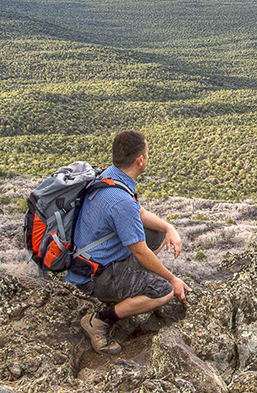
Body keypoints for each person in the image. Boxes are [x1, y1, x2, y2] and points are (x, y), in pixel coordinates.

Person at [68, 130, 192, 355]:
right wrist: (173, 280)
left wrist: (168, 228)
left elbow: (139, 212)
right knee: (163, 291)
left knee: (155, 233)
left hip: (92, 257)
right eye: (147, 153)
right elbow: (141, 252)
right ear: (140, 160)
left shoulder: (110, 176)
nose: (148, 156)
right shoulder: (120, 201)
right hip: (94, 276)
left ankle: (129, 286)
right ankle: (99, 321)